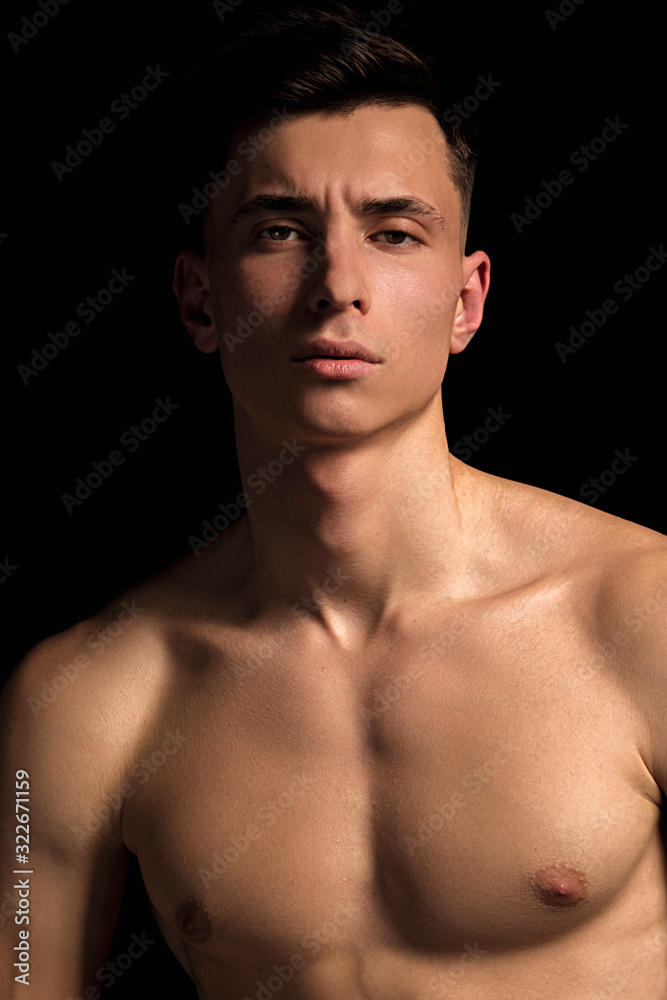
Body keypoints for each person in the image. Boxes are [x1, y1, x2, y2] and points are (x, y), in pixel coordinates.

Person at [2, 4, 667, 997]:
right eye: (280, 230)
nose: (337, 284)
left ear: (465, 300)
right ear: (199, 297)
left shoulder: (644, 616)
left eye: (394, 233)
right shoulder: (85, 700)